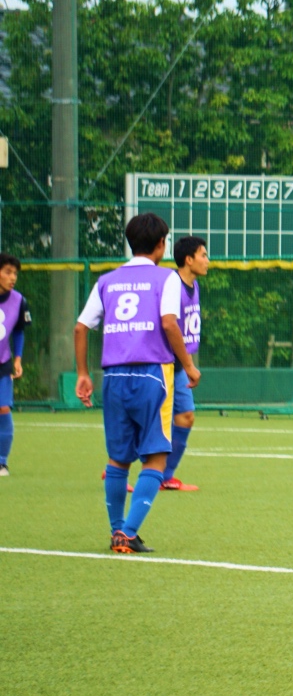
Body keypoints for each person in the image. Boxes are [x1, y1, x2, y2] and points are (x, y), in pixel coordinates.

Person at [74, 213, 198, 553]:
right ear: (161, 245)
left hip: (113, 376)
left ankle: (118, 531)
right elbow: (170, 324)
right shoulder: (166, 278)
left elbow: (81, 328)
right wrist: (188, 364)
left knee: (117, 460)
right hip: (152, 375)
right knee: (156, 458)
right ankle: (128, 533)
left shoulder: (107, 281)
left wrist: (83, 374)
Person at [160, 236, 208, 492]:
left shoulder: (194, 285)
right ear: (188, 259)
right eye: (203, 255)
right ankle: (117, 467)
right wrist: (188, 364)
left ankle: (166, 477)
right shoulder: (171, 285)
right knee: (150, 420)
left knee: (186, 417)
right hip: (162, 363)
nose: (207, 260)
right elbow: (167, 326)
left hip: (178, 364)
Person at [0, 254, 30, 477]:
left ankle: (2, 462)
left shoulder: (19, 300)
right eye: (8, 272)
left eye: (15, 274)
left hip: (3, 362)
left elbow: (19, 329)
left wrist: (18, 358)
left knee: (3, 408)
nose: (12, 278)